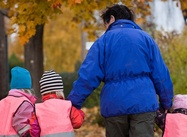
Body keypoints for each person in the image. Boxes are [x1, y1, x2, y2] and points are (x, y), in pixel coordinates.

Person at [67, 4, 174, 137]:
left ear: (111, 19)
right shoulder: (146, 39)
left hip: (114, 105)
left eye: (105, 24)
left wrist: (73, 104)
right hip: (143, 103)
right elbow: (161, 74)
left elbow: (87, 77)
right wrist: (166, 103)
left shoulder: (103, 42)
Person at [0, 66, 40, 137]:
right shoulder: (25, 103)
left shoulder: (2, 102)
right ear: (28, 88)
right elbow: (20, 121)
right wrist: (28, 134)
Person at [35, 70, 84, 137]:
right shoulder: (67, 105)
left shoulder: (38, 109)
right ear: (60, 91)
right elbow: (78, 122)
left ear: (43, 92)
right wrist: (80, 112)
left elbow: (34, 129)